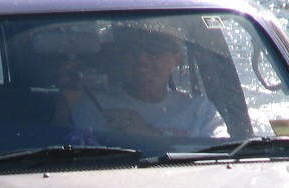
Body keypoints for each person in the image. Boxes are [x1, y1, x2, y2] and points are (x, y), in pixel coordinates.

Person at [66, 22, 225, 138]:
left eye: (154, 49)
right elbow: (67, 152)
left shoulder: (200, 111)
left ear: (177, 58)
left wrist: (150, 136)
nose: (141, 58)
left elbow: (221, 161)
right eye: (132, 48)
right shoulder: (95, 106)